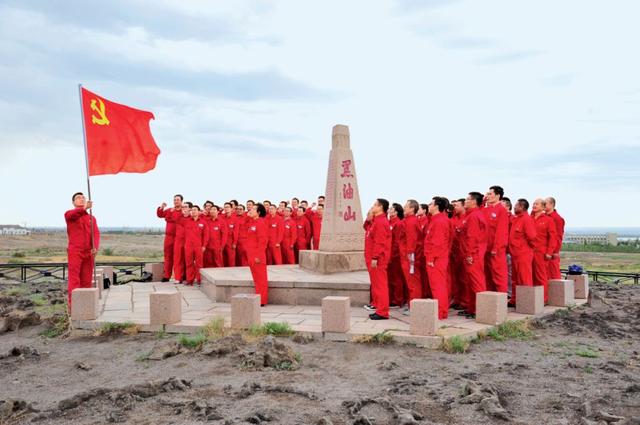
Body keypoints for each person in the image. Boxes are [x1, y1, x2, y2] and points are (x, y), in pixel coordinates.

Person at [65, 192, 100, 309]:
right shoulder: (70, 214)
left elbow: (95, 233)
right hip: (75, 251)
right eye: (78, 198)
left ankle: (85, 306)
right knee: (74, 279)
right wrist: (84, 208)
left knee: (87, 279)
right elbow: (73, 215)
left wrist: (95, 246)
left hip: (88, 252)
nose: (81, 199)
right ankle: (74, 306)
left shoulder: (92, 218)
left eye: (83, 197)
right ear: (73, 202)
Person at [459, 192, 487, 318]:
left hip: (473, 254)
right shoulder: (470, 215)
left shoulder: (474, 216)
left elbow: (472, 237)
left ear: (474, 201)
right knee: (471, 283)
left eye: (468, 199)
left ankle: (480, 310)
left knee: (477, 283)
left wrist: (470, 254)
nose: (465, 201)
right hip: (469, 253)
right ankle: (472, 308)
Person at [364, 198, 392, 320]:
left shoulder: (381, 222)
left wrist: (375, 257)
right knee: (377, 285)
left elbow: (380, 242)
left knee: (380, 285)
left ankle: (383, 311)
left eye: (375, 205)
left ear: (381, 207)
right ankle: (379, 308)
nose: (372, 207)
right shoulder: (376, 221)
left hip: (378, 259)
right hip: (373, 257)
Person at [424, 196, 452, 319]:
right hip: (437, 257)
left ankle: (441, 312)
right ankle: (441, 310)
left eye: (430, 204)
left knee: (438, 285)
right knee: (437, 285)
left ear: (436, 206)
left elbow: (437, 242)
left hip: (437, 259)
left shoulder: (439, 221)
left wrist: (431, 258)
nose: (428, 206)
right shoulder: (436, 219)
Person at [508, 199, 537, 306]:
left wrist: (525, 249)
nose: (514, 207)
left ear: (522, 207)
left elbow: (532, 237)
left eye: (516, 205)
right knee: (515, 279)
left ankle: (526, 304)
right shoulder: (516, 219)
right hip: (515, 254)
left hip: (523, 254)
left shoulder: (526, 219)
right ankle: (515, 300)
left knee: (524, 279)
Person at [483, 186, 509, 293]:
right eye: (487, 194)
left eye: (490, 194)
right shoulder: (486, 210)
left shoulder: (501, 210)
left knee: (498, 274)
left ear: (498, 195)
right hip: (485, 248)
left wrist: (496, 247)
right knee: (487, 275)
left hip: (496, 249)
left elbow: (501, 231)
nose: (488, 196)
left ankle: (501, 299)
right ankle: (490, 300)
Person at [531, 198, 557, 303]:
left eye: (536, 204)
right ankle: (533, 298)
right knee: (531, 275)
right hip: (529, 251)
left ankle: (543, 299)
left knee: (541, 276)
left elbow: (553, 237)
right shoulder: (529, 218)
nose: (534, 205)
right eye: (533, 203)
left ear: (543, 207)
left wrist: (549, 252)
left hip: (541, 252)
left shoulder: (548, 220)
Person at [399, 199, 423, 314]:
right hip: (407, 255)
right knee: (410, 281)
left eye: (406, 206)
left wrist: (410, 255)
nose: (404, 207)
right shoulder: (409, 220)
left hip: (409, 256)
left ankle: (414, 306)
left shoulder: (411, 222)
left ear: (412, 209)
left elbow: (412, 240)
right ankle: (411, 304)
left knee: (413, 281)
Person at [156, 194, 183, 281]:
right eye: (174, 200)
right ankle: (167, 276)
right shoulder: (169, 210)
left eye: (177, 200)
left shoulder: (184, 211)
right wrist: (162, 207)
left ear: (181, 201)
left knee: (178, 257)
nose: (176, 201)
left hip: (179, 238)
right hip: (169, 237)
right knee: (168, 256)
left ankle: (179, 276)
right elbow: (160, 214)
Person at [246, 203, 269, 305]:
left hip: (257, 256)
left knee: (261, 279)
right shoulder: (252, 223)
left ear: (258, 212)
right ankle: (258, 298)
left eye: (254, 209)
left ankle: (262, 300)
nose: (250, 210)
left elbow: (263, 241)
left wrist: (258, 256)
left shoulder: (260, 223)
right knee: (256, 278)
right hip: (251, 255)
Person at [183, 205, 209, 285]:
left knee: (199, 264)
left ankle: (199, 280)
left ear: (198, 212)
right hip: (188, 246)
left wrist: (204, 246)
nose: (193, 211)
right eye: (192, 210)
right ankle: (189, 280)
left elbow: (206, 235)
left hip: (199, 246)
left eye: (195, 210)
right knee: (189, 264)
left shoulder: (203, 222)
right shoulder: (186, 221)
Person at [448, 199, 466, 310]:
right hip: (454, 253)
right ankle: (458, 299)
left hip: (463, 252)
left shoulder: (466, 218)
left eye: (456, 205)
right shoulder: (454, 219)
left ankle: (465, 302)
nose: (454, 207)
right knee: (456, 278)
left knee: (464, 278)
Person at [387, 203, 406, 308]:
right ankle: (391, 298)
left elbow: (397, 242)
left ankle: (398, 300)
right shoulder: (389, 222)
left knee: (396, 278)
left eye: (391, 209)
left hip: (395, 255)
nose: (389, 210)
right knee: (390, 278)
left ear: (396, 212)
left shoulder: (398, 224)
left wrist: (392, 255)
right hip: (388, 254)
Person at [545, 197, 565, 279]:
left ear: (552, 204)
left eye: (545, 203)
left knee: (553, 275)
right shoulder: (544, 217)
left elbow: (558, 236)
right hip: (544, 250)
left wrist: (555, 251)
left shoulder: (557, 219)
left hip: (552, 252)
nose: (543, 205)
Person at [173, 202, 191, 283]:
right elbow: (174, 218)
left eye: (186, 207)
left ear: (190, 208)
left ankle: (188, 277)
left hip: (189, 241)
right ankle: (178, 278)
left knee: (188, 260)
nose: (184, 208)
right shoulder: (179, 217)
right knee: (178, 259)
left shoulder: (192, 218)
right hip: (179, 241)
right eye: (183, 207)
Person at [222, 202, 238, 267]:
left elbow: (236, 232)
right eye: (225, 207)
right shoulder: (221, 218)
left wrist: (234, 243)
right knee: (223, 259)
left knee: (231, 259)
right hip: (222, 241)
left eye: (228, 207)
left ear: (231, 208)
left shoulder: (235, 219)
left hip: (230, 241)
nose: (226, 209)